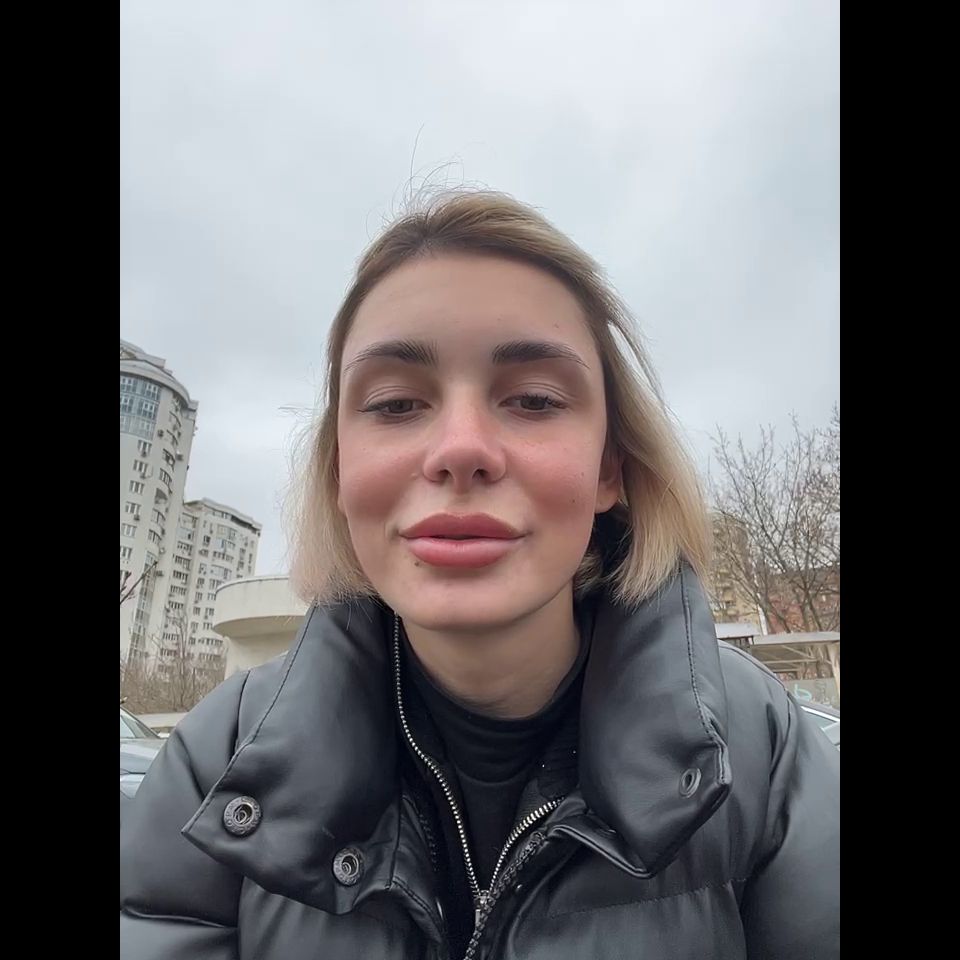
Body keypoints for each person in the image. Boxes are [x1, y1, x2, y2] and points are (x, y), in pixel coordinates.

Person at [120, 191, 840, 960]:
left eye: (533, 399)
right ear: (339, 474)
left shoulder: (763, 755)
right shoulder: (219, 761)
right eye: (396, 404)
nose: (460, 449)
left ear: (609, 468)